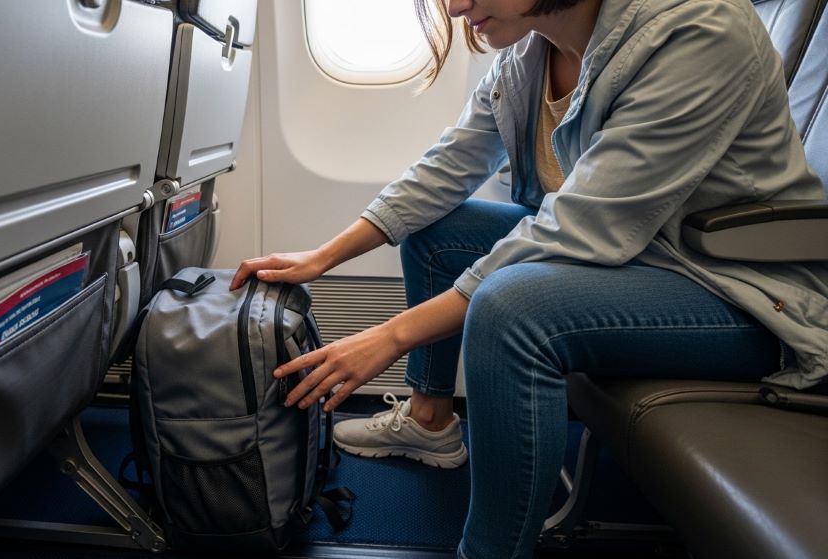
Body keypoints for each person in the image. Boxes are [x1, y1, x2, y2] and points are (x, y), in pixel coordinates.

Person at [231, 0, 828, 557]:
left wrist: (389, 336)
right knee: (441, 230)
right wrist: (323, 256)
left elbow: (577, 225)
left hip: (741, 293)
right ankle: (430, 421)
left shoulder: (698, 31)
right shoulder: (528, 55)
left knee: (509, 309)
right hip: (637, 257)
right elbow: (444, 170)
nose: (456, 8)